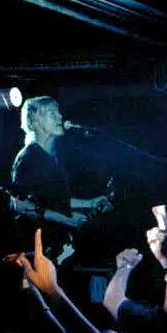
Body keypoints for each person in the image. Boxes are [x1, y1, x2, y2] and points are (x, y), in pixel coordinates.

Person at [10, 96, 111, 264]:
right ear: (34, 122)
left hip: (54, 247)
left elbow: (53, 200)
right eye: (52, 113)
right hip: (38, 251)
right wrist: (66, 218)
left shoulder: (49, 157)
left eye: (58, 112)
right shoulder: (29, 158)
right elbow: (20, 206)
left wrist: (90, 203)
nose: (60, 117)